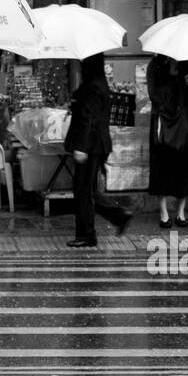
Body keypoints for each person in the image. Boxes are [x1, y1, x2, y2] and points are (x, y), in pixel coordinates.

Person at [64, 53, 114, 248]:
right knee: (88, 190)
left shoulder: (93, 87)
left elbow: (89, 120)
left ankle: (86, 234)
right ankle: (118, 216)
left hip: (90, 147)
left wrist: (81, 148)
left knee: (83, 190)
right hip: (96, 145)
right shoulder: (98, 84)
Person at [146, 56, 188, 227]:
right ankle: (164, 212)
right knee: (162, 167)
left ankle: (181, 212)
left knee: (183, 167)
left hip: (183, 125)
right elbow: (154, 94)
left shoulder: (187, 64)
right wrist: (173, 79)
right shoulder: (155, 66)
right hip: (162, 122)